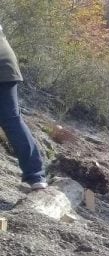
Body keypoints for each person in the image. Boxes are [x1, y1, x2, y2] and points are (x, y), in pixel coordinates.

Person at [0, 25, 47, 190]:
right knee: (12, 121)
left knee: (11, 121)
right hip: (6, 63)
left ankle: (35, 174)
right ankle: (36, 176)